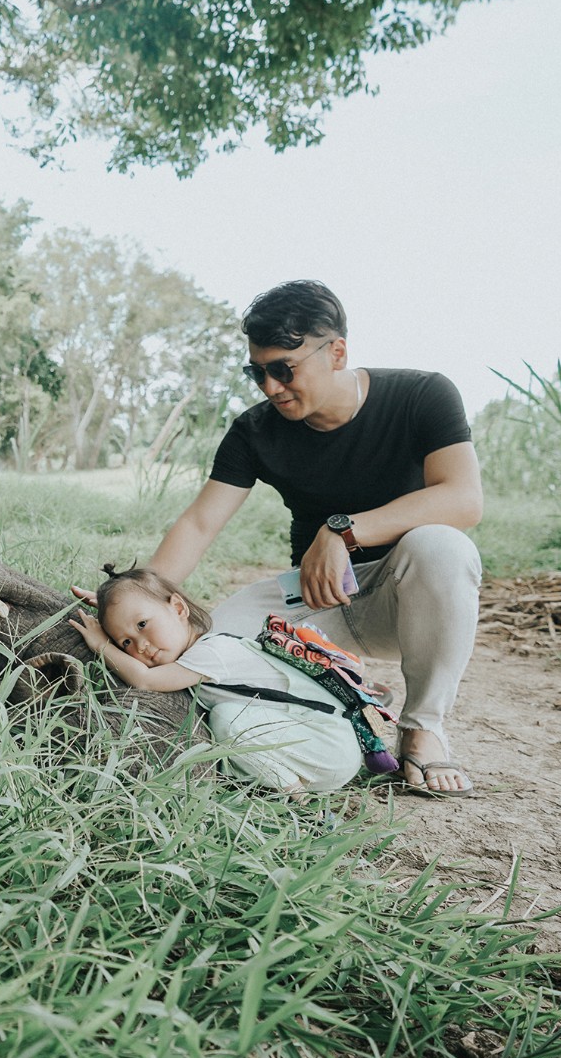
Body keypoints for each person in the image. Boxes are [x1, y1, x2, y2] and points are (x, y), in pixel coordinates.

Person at [121, 280, 484, 795]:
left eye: (283, 369)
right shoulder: (255, 431)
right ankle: (309, 727)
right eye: (258, 371)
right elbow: (200, 523)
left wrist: (342, 532)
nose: (271, 387)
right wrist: (135, 598)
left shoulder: (422, 395)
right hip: (311, 605)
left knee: (444, 547)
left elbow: (464, 500)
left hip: (403, 594)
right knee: (202, 650)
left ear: (336, 352)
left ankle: (422, 729)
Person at [70, 564, 363, 793]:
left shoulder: (212, 652)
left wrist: (103, 644)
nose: (141, 646)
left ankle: (292, 795)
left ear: (178, 608)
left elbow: (145, 680)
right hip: (318, 745)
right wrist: (117, 612)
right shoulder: (199, 652)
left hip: (330, 748)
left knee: (227, 719)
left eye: (143, 624)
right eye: (125, 643)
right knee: (227, 723)